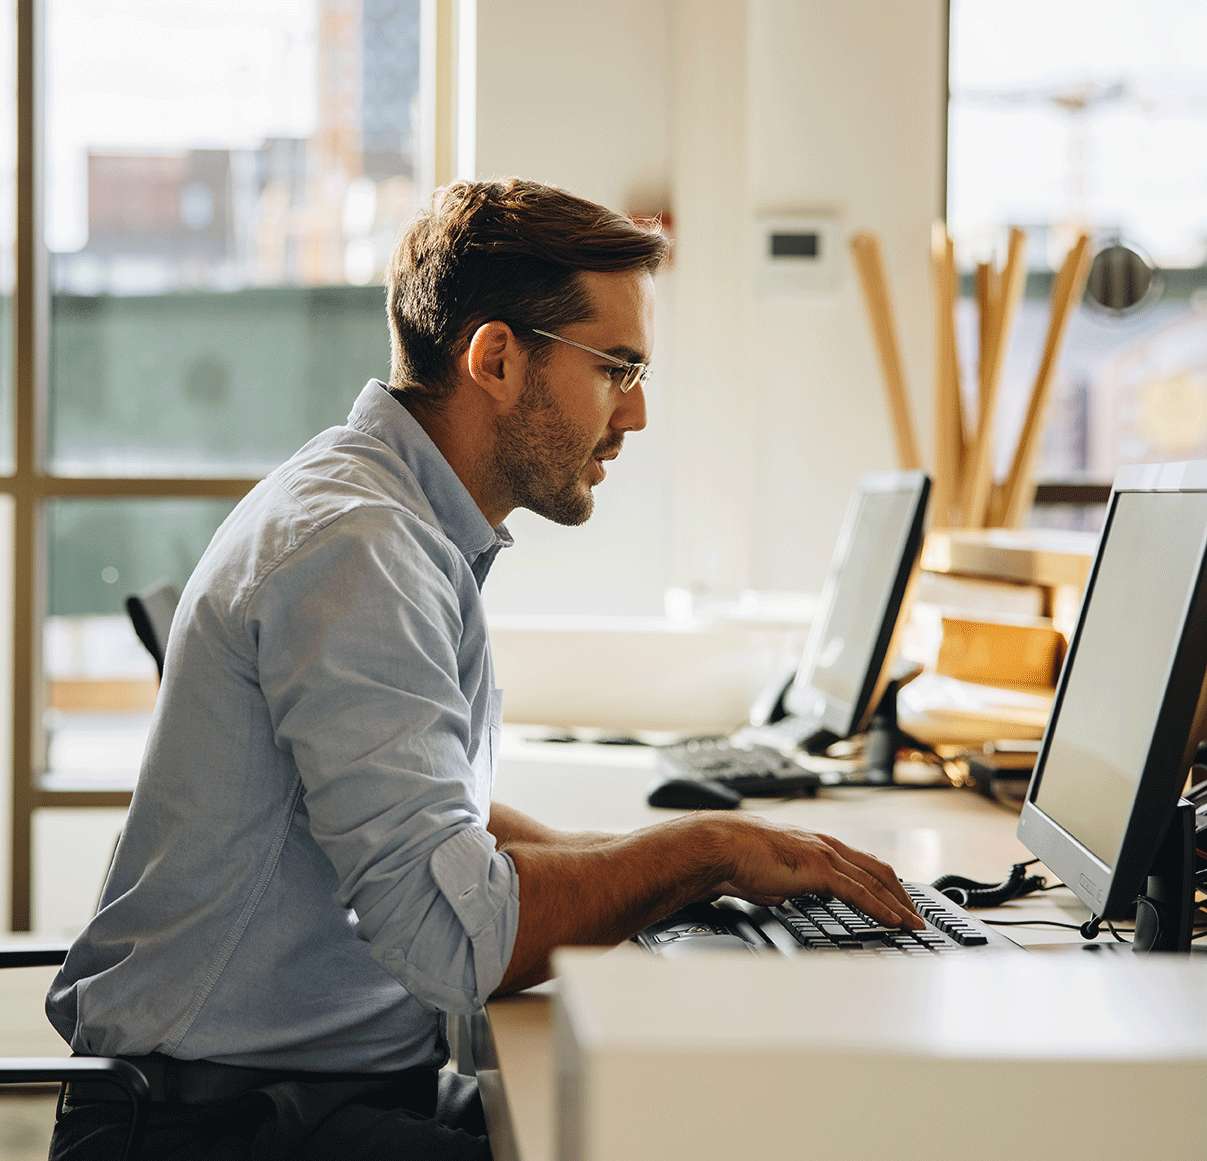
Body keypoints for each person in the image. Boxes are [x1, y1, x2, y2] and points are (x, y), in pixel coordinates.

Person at [46, 179, 921, 1160]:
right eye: (618, 368)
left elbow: (421, 817)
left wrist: (667, 866)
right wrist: (700, 853)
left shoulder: (385, 515)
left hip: (291, 1092)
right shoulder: (357, 545)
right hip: (211, 1128)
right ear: (497, 359)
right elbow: (454, 943)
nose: (634, 414)